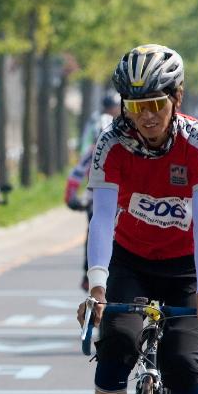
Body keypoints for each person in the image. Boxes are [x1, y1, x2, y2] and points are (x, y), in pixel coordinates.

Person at [78, 43, 198, 394]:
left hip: (184, 268)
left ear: (176, 98)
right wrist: (97, 286)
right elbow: (101, 219)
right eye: (136, 106)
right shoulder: (111, 142)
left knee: (183, 363)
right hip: (131, 262)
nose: (145, 116)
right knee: (116, 342)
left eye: (156, 105)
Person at [65, 93, 123, 289]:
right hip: (95, 196)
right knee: (94, 231)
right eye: (99, 138)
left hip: (122, 200)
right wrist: (70, 197)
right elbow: (76, 174)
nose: (103, 143)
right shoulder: (92, 151)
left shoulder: (125, 148)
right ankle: (87, 272)